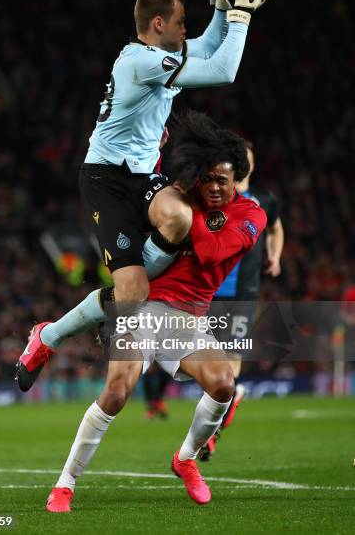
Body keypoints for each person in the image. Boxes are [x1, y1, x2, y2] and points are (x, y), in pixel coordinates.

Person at [15, 0, 272, 393]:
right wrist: (241, 14)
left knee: (178, 219)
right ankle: (48, 336)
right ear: (157, 24)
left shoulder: (161, 56)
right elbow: (223, 69)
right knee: (132, 293)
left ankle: (124, 295)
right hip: (107, 179)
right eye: (179, 23)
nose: (184, 30)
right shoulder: (141, 62)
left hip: (143, 173)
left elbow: (209, 48)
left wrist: (220, 1)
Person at [44, 111, 267, 511]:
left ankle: (185, 459)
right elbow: (145, 193)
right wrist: (159, 161)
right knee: (116, 392)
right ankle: (64, 484)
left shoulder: (250, 215)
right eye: (208, 178)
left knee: (222, 385)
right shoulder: (182, 198)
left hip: (187, 320)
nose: (214, 187)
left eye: (223, 180)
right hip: (142, 310)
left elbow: (213, 250)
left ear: (237, 182)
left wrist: (184, 217)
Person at [200, 140, 284, 461]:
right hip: (208, 290)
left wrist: (274, 258)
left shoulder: (264, 201)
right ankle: (228, 405)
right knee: (207, 363)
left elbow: (276, 230)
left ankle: (211, 434)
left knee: (230, 360)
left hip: (243, 294)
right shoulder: (217, 197)